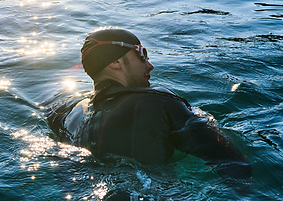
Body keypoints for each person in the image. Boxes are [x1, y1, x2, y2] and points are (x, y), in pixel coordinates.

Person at [47, 27, 252, 180]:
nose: (150, 65)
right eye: (141, 54)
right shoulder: (158, 101)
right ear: (114, 62)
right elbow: (232, 162)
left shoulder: (68, 114)